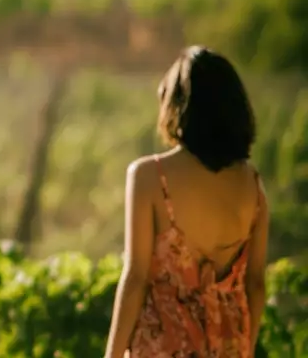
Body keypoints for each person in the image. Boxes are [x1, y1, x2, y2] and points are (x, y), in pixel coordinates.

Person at [103, 46, 269, 358]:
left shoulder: (150, 176)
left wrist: (112, 355)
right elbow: (256, 284)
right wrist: (242, 347)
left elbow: (136, 276)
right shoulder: (254, 187)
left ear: (177, 106)